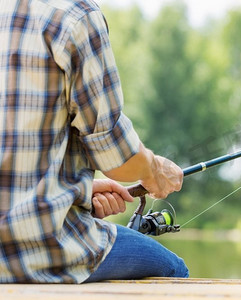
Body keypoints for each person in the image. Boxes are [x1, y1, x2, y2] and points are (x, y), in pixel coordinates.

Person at [0, 0, 188, 283]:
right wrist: (154, 170)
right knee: (175, 270)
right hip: (42, 250)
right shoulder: (75, 15)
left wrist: (78, 192)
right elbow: (117, 158)